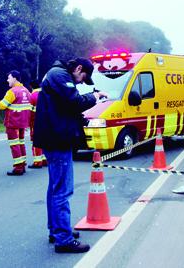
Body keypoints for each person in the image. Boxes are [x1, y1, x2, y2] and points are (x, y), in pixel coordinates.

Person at [34, 58, 108, 253]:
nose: (81, 83)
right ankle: (63, 239)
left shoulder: (58, 75)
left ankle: (57, 230)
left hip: (55, 138)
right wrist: (95, 97)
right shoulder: (59, 75)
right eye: (83, 78)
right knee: (62, 191)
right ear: (78, 68)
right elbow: (74, 101)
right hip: (57, 140)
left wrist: (80, 120)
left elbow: (64, 108)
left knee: (55, 188)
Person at [0, 70, 31, 176]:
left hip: (13, 123)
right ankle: (23, 164)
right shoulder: (26, 90)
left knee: (14, 145)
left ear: (15, 78)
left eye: (9, 78)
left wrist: (1, 101)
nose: (7, 80)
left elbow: (2, 106)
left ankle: (18, 168)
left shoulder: (12, 91)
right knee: (21, 143)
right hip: (23, 123)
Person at [28, 79, 47, 169]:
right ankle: (44, 159)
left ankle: (37, 162)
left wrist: (29, 123)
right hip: (46, 122)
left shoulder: (32, 96)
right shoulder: (45, 94)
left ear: (31, 86)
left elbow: (30, 112)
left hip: (35, 122)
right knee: (44, 141)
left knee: (35, 142)